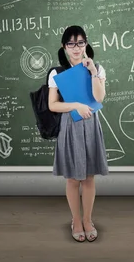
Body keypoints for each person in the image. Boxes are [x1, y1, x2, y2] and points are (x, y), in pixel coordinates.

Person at [47, 25, 109, 242]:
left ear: (86, 44)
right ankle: (76, 219)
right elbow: (53, 105)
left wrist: (92, 71)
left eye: (80, 43)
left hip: (91, 125)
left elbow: (99, 98)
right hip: (70, 125)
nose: (76, 48)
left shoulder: (97, 68)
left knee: (89, 177)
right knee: (73, 179)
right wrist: (75, 106)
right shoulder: (58, 73)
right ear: (64, 46)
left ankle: (88, 220)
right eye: (71, 43)